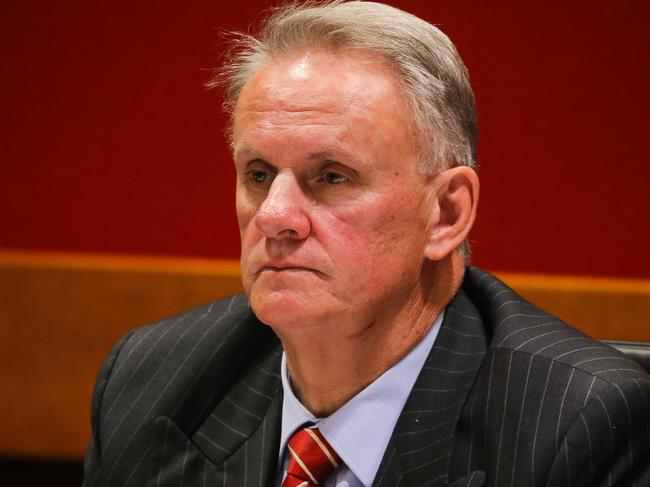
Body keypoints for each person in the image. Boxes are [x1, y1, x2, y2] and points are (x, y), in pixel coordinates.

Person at [83, 2, 650, 486]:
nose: (275, 216)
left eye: (331, 176)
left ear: (447, 213)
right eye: (258, 174)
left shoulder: (579, 425)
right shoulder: (148, 383)